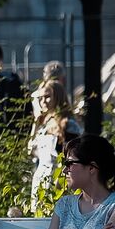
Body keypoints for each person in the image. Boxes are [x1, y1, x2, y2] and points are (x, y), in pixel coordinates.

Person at [27, 79, 80, 210]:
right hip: (41, 176)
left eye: (47, 97)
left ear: (58, 97)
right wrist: (35, 122)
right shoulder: (42, 124)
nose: (43, 101)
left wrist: (64, 179)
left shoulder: (68, 124)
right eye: (41, 98)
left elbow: (74, 156)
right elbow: (30, 150)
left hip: (59, 178)